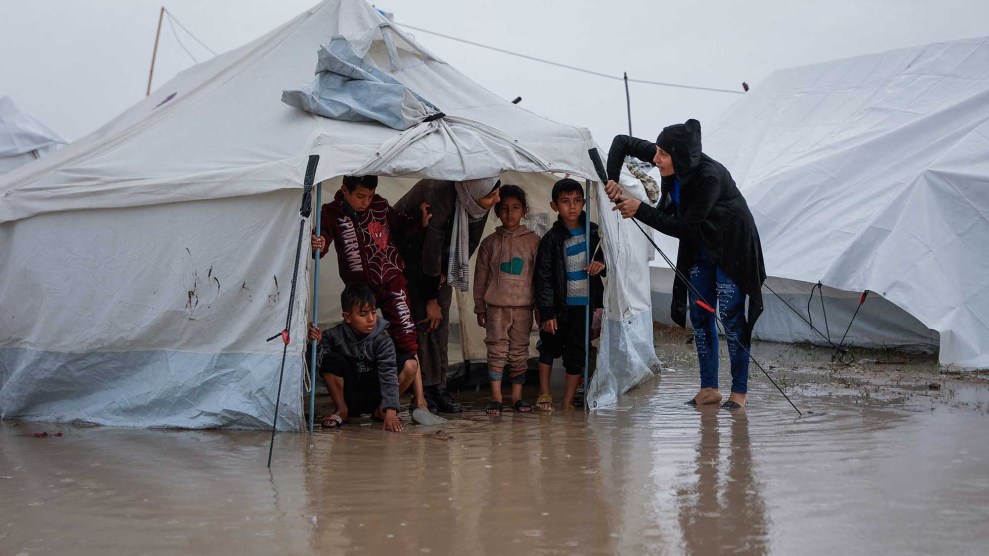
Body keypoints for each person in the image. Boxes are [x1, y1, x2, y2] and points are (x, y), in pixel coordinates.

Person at [604, 119, 766, 409]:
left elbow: (684, 227)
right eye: (658, 152)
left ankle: (738, 393)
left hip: (732, 248)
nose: (656, 159)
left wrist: (639, 209)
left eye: (663, 155)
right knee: (702, 316)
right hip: (700, 248)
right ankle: (709, 388)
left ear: (680, 157)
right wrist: (612, 179)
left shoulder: (709, 177)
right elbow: (621, 142)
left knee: (730, 317)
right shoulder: (663, 155)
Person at [311, 175, 434, 418]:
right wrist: (320, 243)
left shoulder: (380, 205)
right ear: (345, 190)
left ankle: (420, 401)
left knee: (407, 334)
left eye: (370, 195)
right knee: (358, 336)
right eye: (360, 196)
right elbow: (322, 237)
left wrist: (420, 223)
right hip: (358, 286)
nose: (366, 202)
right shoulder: (331, 211)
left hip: (390, 277)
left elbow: (400, 226)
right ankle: (350, 402)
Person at [393, 178, 501, 412]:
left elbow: (468, 243)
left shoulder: (475, 205)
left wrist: (445, 275)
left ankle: (438, 389)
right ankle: (421, 392)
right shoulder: (438, 193)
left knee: (438, 325)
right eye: (491, 196)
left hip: (439, 266)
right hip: (410, 261)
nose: (497, 200)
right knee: (423, 322)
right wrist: (431, 297)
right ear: (473, 194)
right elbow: (432, 245)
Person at [533, 178, 606, 411]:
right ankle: (544, 394)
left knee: (577, 351)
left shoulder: (595, 233)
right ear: (554, 206)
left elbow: (612, 261)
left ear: (584, 202)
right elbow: (543, 278)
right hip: (558, 306)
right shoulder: (550, 240)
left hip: (584, 306)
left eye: (577, 201)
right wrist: (547, 312)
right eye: (565, 202)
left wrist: (601, 264)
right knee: (548, 347)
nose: (572, 207)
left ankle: (567, 402)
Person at [472, 184, 541, 415]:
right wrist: (479, 306)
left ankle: (518, 397)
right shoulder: (490, 243)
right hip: (496, 308)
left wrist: (540, 307)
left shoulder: (533, 242)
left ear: (524, 211)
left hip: (524, 306)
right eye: (503, 208)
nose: (509, 213)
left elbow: (539, 278)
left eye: (515, 208)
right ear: (496, 211)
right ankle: (496, 397)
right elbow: (480, 277)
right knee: (496, 350)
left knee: (520, 350)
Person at [307, 284, 411, 432]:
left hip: (376, 393)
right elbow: (316, 367)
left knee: (410, 364)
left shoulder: (383, 339)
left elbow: (388, 372)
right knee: (330, 360)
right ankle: (342, 411)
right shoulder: (333, 335)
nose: (371, 319)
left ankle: (382, 410)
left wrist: (391, 410)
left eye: (373, 313)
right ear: (347, 317)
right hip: (351, 395)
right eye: (363, 315)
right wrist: (314, 345)